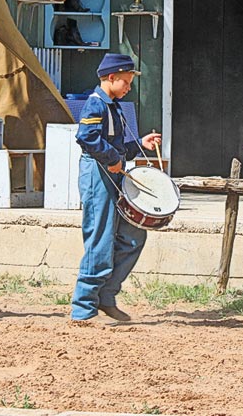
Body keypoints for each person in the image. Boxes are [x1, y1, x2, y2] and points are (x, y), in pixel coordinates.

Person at [70, 53, 161, 325]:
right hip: (98, 173)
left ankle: (106, 296)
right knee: (100, 238)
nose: (128, 87)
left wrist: (138, 145)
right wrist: (112, 160)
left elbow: (116, 145)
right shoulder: (96, 104)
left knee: (134, 236)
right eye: (126, 82)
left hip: (112, 171)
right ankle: (83, 306)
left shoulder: (114, 106)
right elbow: (86, 138)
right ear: (111, 78)